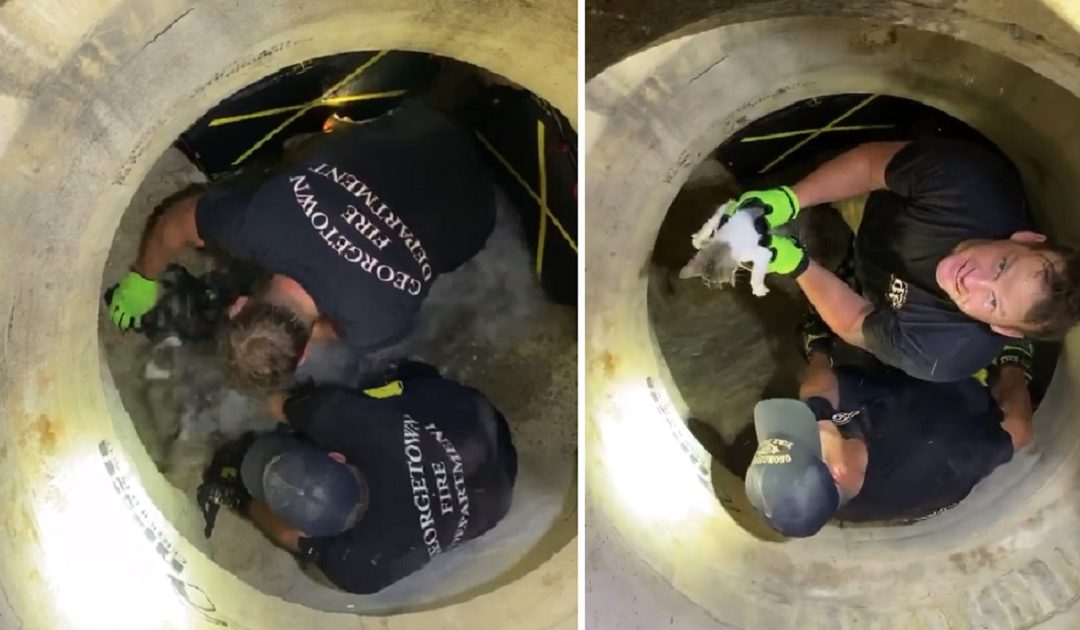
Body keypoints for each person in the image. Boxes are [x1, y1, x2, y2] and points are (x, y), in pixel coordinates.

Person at [106, 102, 497, 391]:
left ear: (306, 350)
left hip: (479, 203)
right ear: (239, 305)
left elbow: (337, 330)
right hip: (423, 128)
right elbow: (178, 222)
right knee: (298, 159)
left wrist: (142, 280)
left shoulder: (377, 326)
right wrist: (143, 275)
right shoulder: (260, 222)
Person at [721, 138, 1080, 382]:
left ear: (1003, 330)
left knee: (859, 293)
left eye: (992, 301)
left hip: (878, 283)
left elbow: (857, 323)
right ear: (1025, 238)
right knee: (846, 198)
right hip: (880, 202)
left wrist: (796, 264)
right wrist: (790, 199)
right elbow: (868, 166)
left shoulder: (944, 353)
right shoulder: (968, 181)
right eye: (1002, 265)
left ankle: (848, 264)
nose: (971, 279)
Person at [200, 362, 517, 594]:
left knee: (373, 387)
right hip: (474, 421)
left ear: (337, 454)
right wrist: (298, 406)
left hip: (496, 493)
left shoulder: (360, 569)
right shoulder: (344, 419)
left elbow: (285, 535)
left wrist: (240, 499)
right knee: (376, 388)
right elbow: (280, 404)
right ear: (336, 457)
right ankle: (412, 376)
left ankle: (406, 377)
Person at [743, 338, 1033, 537]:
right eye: (804, 436)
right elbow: (1018, 430)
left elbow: (814, 390)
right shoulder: (943, 455)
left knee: (820, 396)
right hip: (949, 400)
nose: (803, 424)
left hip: (887, 400)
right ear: (837, 472)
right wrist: (1014, 365)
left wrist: (819, 350)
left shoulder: (825, 489)